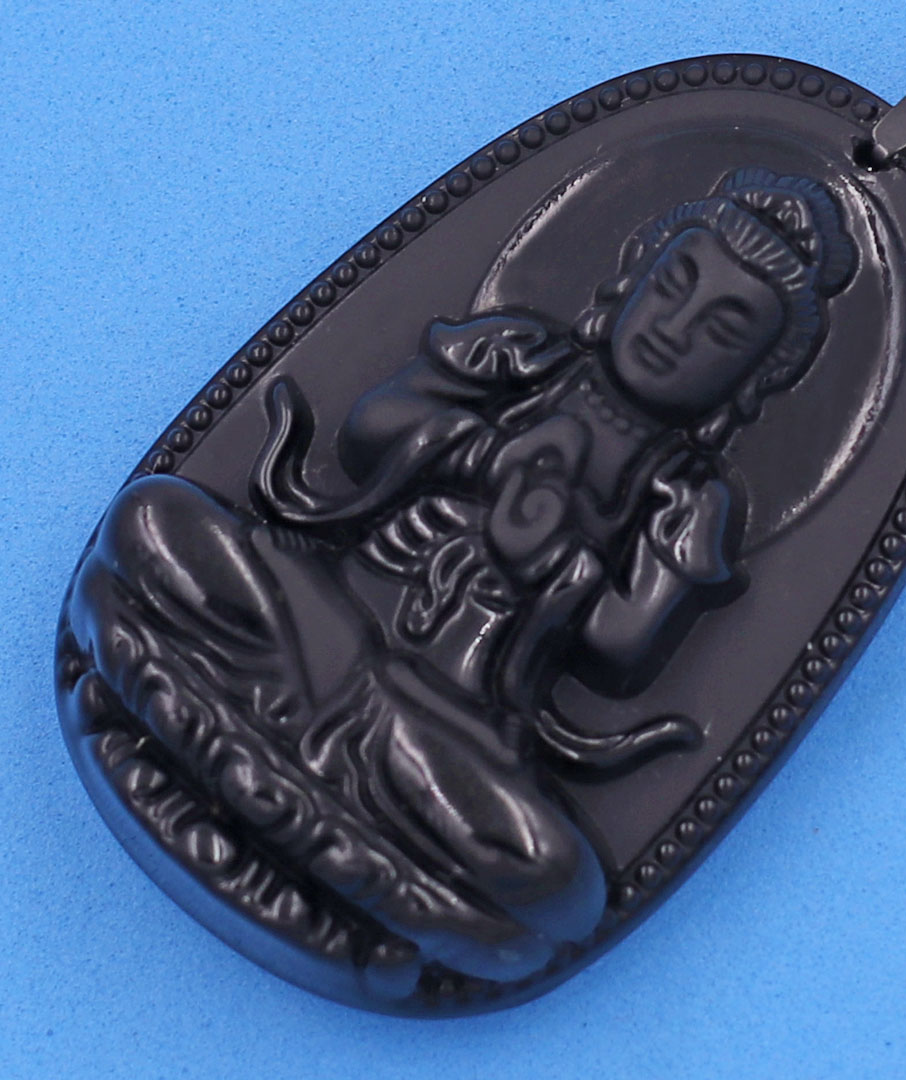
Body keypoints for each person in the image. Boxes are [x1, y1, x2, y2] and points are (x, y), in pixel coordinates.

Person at [63, 167, 855, 991]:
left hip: (442, 722)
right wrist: (483, 457)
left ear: (752, 380)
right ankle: (369, 885)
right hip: (318, 624)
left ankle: (190, 723)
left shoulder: (690, 499)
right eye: (673, 286)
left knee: (557, 877)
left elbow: (623, 648)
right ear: (631, 277)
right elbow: (373, 426)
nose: (675, 330)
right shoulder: (518, 354)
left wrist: (555, 558)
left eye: (722, 330)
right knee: (153, 520)